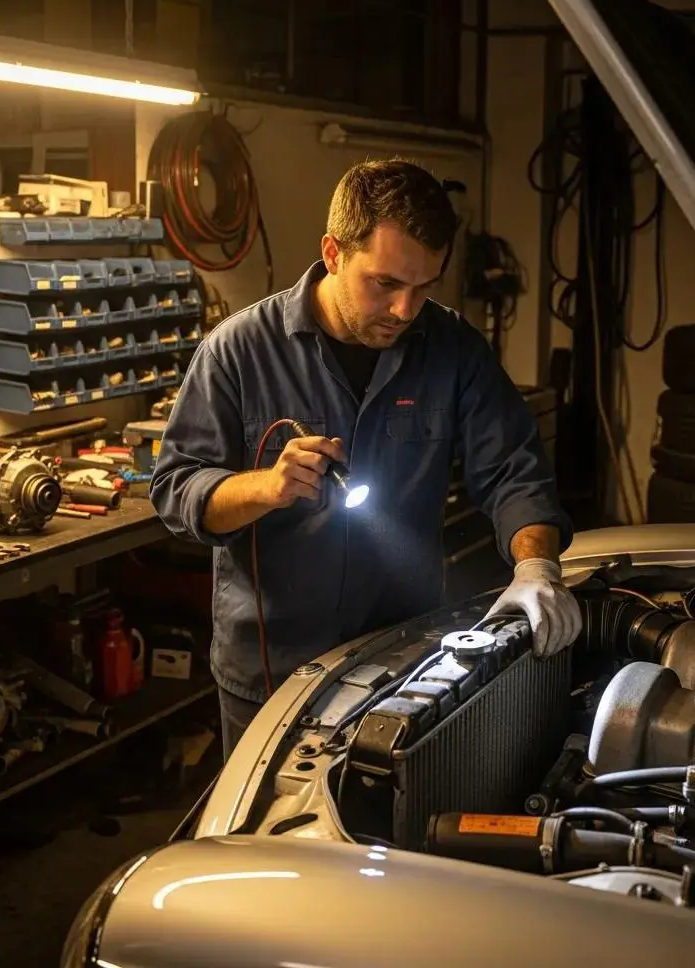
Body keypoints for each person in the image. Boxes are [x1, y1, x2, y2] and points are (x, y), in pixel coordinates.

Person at [150, 159, 581, 760]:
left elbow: (514, 468)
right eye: (385, 284)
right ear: (333, 252)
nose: (405, 311)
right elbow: (176, 492)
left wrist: (536, 567)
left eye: (424, 287)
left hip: (404, 657)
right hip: (274, 671)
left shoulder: (451, 349)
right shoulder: (239, 351)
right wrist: (266, 488)